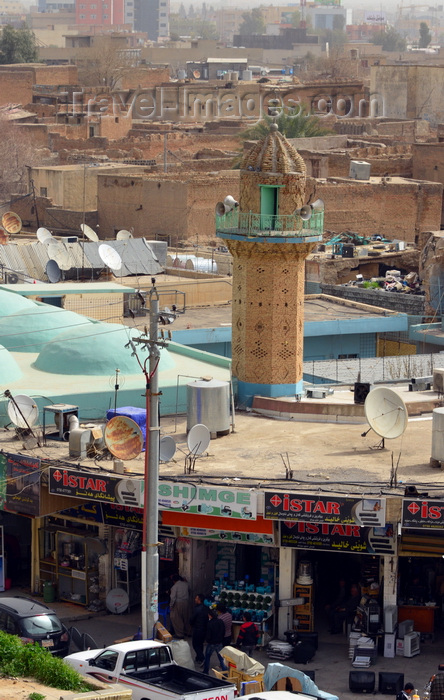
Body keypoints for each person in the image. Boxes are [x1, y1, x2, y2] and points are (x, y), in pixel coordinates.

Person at [203, 609, 227, 675]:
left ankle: (205, 671)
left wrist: (207, 640)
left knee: (207, 657)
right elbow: (223, 631)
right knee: (221, 658)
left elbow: (208, 634)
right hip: (219, 642)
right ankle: (225, 673)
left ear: (210, 616)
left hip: (211, 643)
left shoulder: (210, 623)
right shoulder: (221, 622)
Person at [190, 593, 209, 666]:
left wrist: (191, 623)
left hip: (198, 629)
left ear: (199, 600)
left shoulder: (197, 609)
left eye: (196, 598)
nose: (195, 599)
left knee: (195, 645)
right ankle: (198, 658)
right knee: (200, 644)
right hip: (204, 629)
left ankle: (202, 658)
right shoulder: (206, 608)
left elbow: (192, 619)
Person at [169, 574, 190, 640]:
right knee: (186, 617)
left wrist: (171, 605)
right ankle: (188, 632)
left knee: (176, 618)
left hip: (178, 603)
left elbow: (173, 598)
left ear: (174, 581)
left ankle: (180, 634)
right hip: (186, 602)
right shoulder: (186, 584)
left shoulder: (174, 587)